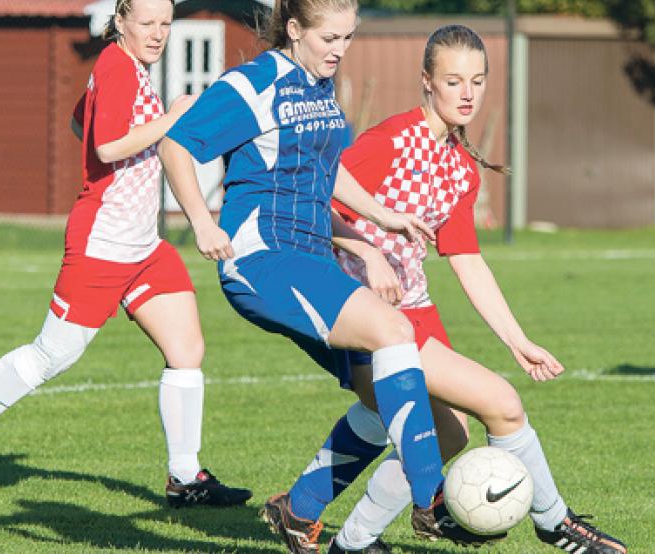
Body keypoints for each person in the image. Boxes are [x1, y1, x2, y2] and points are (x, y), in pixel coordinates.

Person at [276, 24, 628, 554]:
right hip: (365, 314)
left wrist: (517, 339)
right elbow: (311, 199)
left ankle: (318, 520)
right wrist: (364, 254)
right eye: (454, 80)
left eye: (478, 81)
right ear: (427, 82)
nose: (467, 93)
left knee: (447, 435)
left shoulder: (461, 166)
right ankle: (556, 525)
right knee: (502, 405)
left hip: (417, 310)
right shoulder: (391, 141)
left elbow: (466, 260)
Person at [159, 1, 494, 552]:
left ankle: (300, 509)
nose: (339, 49)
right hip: (263, 259)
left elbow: (329, 169)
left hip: (310, 258)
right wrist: (200, 221)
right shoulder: (253, 83)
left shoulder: (320, 87)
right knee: (394, 330)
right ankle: (432, 500)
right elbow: (177, 143)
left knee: (376, 395)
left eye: (348, 38)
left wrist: (383, 219)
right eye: (329, 38)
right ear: (294, 30)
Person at [0, 0, 251, 509]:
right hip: (103, 245)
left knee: (186, 350)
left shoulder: (128, 69)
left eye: (166, 24)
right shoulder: (117, 65)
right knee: (52, 355)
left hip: (143, 245)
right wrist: (171, 119)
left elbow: (84, 124)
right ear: (120, 21)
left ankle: (185, 477)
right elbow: (105, 147)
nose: (159, 33)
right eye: (147, 23)